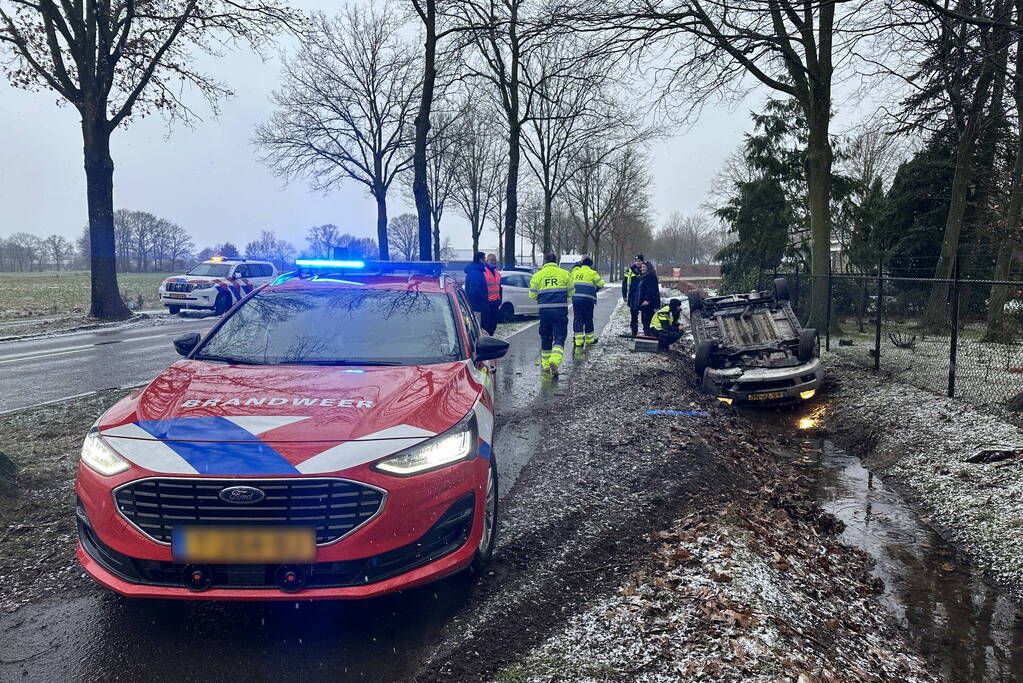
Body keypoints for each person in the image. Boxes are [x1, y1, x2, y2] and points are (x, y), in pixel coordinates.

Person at [529, 252, 574, 377]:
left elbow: (532, 295)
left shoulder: (538, 275)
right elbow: (571, 293)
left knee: (546, 336)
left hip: (544, 312)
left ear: (544, 261)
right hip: (560, 311)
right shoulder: (565, 274)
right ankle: (555, 360)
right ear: (556, 261)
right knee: (559, 336)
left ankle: (545, 365)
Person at [571, 257, 604, 348]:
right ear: (591, 265)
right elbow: (601, 284)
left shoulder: (575, 272)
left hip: (576, 299)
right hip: (588, 300)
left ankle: (578, 341)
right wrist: (595, 288)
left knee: (578, 319)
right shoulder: (592, 273)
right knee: (588, 319)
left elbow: (573, 269)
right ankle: (589, 339)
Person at [629, 260, 661, 336]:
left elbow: (651, 290)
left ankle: (649, 336)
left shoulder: (651, 277)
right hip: (644, 303)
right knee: (645, 320)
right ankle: (647, 335)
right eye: (641, 267)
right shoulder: (643, 276)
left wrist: (647, 300)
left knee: (647, 320)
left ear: (648, 268)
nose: (641, 269)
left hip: (649, 303)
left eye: (643, 267)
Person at [463, 252, 489, 326]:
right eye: (484, 258)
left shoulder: (475, 271)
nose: (485, 260)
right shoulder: (476, 272)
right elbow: (474, 290)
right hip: (476, 305)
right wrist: (483, 300)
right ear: (480, 260)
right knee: (476, 325)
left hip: (475, 304)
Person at [622, 255, 643, 337]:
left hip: (642, 296)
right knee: (634, 316)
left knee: (645, 316)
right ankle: (634, 333)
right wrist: (624, 295)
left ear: (642, 262)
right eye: (636, 261)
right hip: (633, 296)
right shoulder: (630, 270)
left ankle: (647, 332)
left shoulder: (644, 269)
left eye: (639, 261)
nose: (638, 262)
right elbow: (624, 282)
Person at [482, 253, 502, 335]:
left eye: (494, 260)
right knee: (486, 325)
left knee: (493, 324)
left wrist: (500, 300)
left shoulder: (497, 273)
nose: (493, 262)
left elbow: (499, 287)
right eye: (491, 260)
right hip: (487, 303)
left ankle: (491, 336)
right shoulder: (483, 272)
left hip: (495, 302)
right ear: (487, 261)